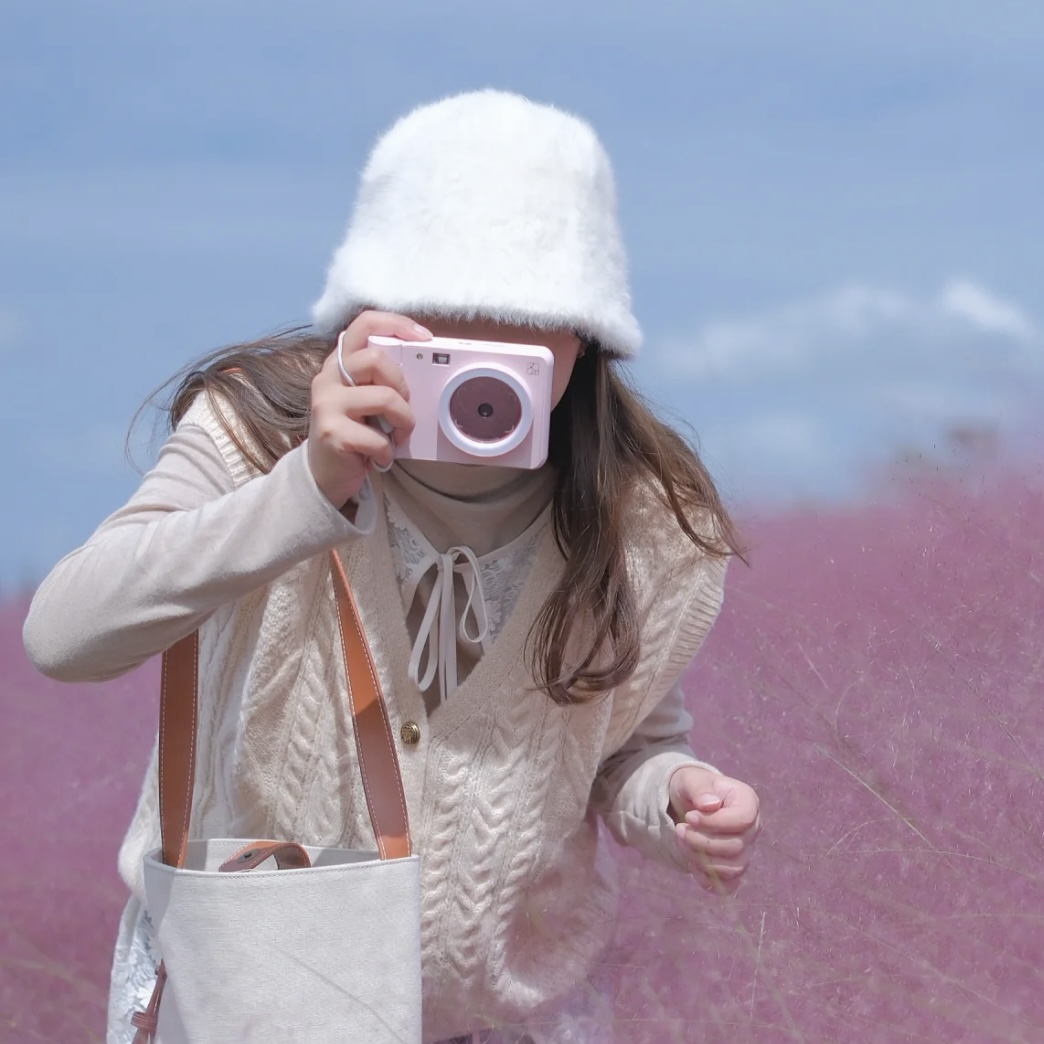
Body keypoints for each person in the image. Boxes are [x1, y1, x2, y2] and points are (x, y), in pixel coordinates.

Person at [23, 89, 762, 1044]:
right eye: (443, 315)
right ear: (371, 313)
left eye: (529, 314)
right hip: (255, 1013)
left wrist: (676, 799)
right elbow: (65, 633)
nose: (486, 348)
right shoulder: (258, 431)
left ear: (591, 334)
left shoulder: (645, 518)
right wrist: (309, 487)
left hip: (518, 1021)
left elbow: (618, 739)